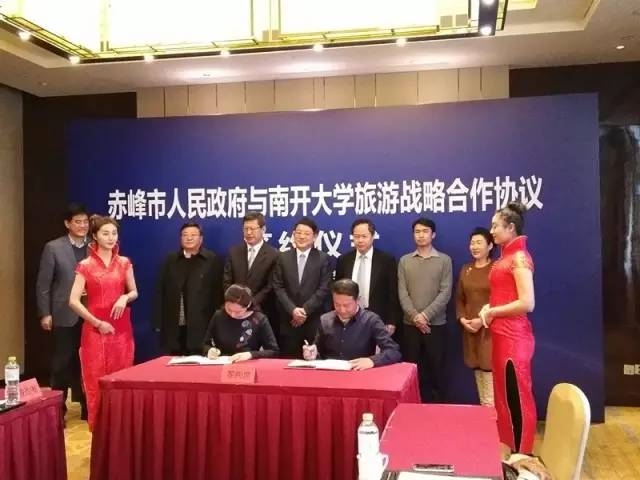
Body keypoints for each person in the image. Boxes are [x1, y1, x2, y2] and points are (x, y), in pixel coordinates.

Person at [468, 202, 536, 454]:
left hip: (514, 338)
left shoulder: (518, 258)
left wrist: (493, 312)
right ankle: (508, 449)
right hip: (501, 336)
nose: (492, 231)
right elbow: (505, 296)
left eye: (496, 226)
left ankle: (522, 453)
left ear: (511, 227)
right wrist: (490, 307)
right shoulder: (505, 258)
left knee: (516, 397)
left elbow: (527, 302)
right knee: (504, 397)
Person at [69, 215, 138, 430]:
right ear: (95, 236)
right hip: (95, 331)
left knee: (122, 381)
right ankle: (99, 434)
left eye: (114, 233)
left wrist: (124, 297)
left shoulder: (124, 262)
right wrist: (97, 323)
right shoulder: (85, 266)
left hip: (121, 331)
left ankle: (122, 431)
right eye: (105, 233)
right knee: (95, 382)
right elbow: (73, 301)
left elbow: (134, 291)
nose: (111, 237)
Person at [36, 202, 89, 421]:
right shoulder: (53, 248)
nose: (83, 226)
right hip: (63, 313)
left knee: (86, 362)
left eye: (85, 222)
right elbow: (44, 284)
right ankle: (58, 411)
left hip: (90, 314)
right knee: (62, 362)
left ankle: (87, 408)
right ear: (67, 224)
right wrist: (45, 313)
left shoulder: (95, 246)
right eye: (78, 222)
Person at [398, 217, 452, 402]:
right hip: (410, 325)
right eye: (417, 232)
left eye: (425, 231)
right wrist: (415, 317)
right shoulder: (405, 261)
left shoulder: (444, 260)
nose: (421, 235)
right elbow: (402, 292)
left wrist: (425, 316)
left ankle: (437, 409)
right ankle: (411, 407)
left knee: (436, 371)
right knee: (411, 371)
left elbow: (445, 292)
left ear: (433, 234)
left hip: (435, 326)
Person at [155, 222, 224, 355]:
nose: (189, 238)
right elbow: (160, 291)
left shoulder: (211, 260)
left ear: (201, 238)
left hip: (201, 322)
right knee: (174, 359)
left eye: (193, 235)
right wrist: (158, 322)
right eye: (185, 235)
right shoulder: (171, 260)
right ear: (180, 238)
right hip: (174, 322)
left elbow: (218, 293)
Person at [302, 279, 401, 370]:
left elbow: (393, 351)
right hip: (329, 374)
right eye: (337, 304)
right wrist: (312, 354)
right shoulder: (325, 320)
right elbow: (318, 351)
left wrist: (372, 361)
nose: (342, 310)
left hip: (359, 374)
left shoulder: (371, 320)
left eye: (346, 305)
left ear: (358, 300)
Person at [272, 217, 332, 357]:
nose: (302, 236)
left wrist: (304, 311)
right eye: (298, 233)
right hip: (288, 321)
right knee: (287, 362)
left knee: (313, 362)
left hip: (313, 321)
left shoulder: (323, 259)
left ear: (315, 236)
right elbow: (278, 287)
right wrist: (293, 310)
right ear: (293, 235)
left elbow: (324, 289)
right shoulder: (282, 258)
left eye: (306, 233)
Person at [335, 218, 401, 336]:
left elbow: (393, 293)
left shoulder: (386, 260)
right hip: (349, 317)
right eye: (356, 236)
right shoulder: (344, 260)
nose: (360, 240)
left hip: (378, 317)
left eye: (364, 236)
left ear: (372, 236)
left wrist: (391, 320)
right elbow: (337, 291)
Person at [223, 211, 279, 338]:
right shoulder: (234, 252)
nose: (248, 233)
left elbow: (271, 285)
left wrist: (248, 303)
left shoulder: (274, 255)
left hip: (261, 311)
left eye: (252, 229)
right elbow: (227, 281)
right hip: (235, 312)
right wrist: (236, 304)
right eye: (245, 229)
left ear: (263, 229)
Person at [455, 227, 494, 406]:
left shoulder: (496, 268)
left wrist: (482, 320)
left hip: (490, 329)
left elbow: (500, 299)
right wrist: (462, 319)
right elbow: (459, 298)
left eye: (479, 242)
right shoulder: (466, 269)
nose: (475, 247)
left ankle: (491, 413)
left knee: (489, 370)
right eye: (472, 243)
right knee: (477, 369)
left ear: (490, 246)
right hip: (470, 328)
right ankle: (485, 410)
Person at [202, 284, 279, 362]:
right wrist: (209, 350)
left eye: (238, 312)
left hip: (247, 364)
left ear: (248, 305)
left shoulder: (259, 319)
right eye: (229, 310)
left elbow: (273, 351)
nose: (233, 315)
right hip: (221, 362)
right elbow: (206, 344)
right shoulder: (218, 316)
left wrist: (250, 354)